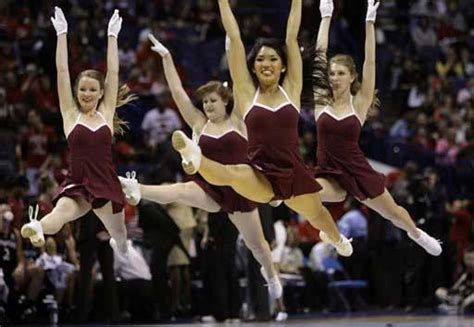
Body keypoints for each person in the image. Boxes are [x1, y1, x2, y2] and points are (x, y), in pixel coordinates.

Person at [170, 0, 352, 256]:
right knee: (232, 173)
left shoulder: (292, 89)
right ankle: (194, 155)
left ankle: (339, 240)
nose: (266, 63)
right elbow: (234, 37)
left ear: (284, 65)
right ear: (253, 66)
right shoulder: (245, 93)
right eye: (260, 59)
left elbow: (291, 36)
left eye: (273, 59)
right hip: (259, 171)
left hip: (291, 172)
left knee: (319, 214)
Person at [119, 33, 281, 298]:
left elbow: (240, 80)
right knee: (180, 190)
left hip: (241, 189)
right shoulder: (198, 123)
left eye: (213, 101)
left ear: (225, 101)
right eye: (205, 101)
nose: (207, 105)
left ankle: (271, 276)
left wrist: (231, 50)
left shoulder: (238, 120)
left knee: (258, 245)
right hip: (213, 187)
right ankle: (137, 188)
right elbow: (178, 93)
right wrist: (167, 58)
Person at [310, 0, 441, 255]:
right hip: (328, 169)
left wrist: (370, 23)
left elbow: (370, 62)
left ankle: (417, 233)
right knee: (305, 194)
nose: (334, 78)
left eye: (340, 73)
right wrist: (326, 16)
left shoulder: (359, 103)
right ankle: (338, 239)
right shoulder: (320, 99)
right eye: (332, 73)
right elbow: (318, 55)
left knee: (393, 213)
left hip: (356, 169)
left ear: (351, 77)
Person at [20, 7, 134, 254]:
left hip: (104, 181)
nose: (87, 94)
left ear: (101, 93)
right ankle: (37, 227)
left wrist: (112, 37)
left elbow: (113, 72)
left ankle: (123, 244)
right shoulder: (70, 115)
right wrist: (62, 34)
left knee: (118, 231)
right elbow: (62, 71)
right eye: (83, 89)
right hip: (78, 181)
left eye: (93, 89)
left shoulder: (106, 113)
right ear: (76, 92)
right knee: (61, 212)